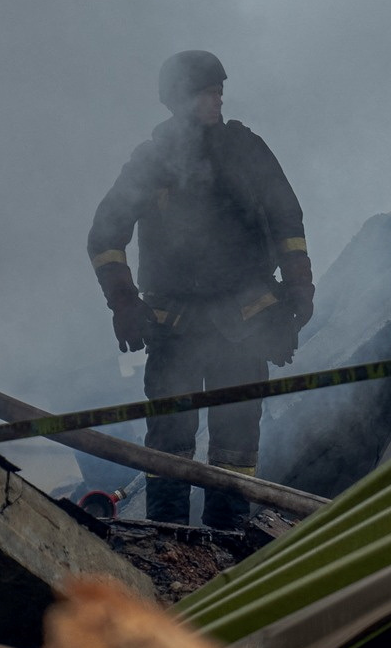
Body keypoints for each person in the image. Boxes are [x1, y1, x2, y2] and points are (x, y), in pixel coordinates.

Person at [86, 51, 313, 529]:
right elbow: (105, 236)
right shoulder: (151, 162)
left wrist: (298, 294)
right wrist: (123, 301)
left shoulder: (247, 150)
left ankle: (226, 542)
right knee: (170, 445)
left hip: (246, 325)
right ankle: (166, 539)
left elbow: (287, 220)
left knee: (235, 448)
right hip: (174, 329)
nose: (218, 100)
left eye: (218, 91)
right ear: (178, 100)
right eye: (206, 93)